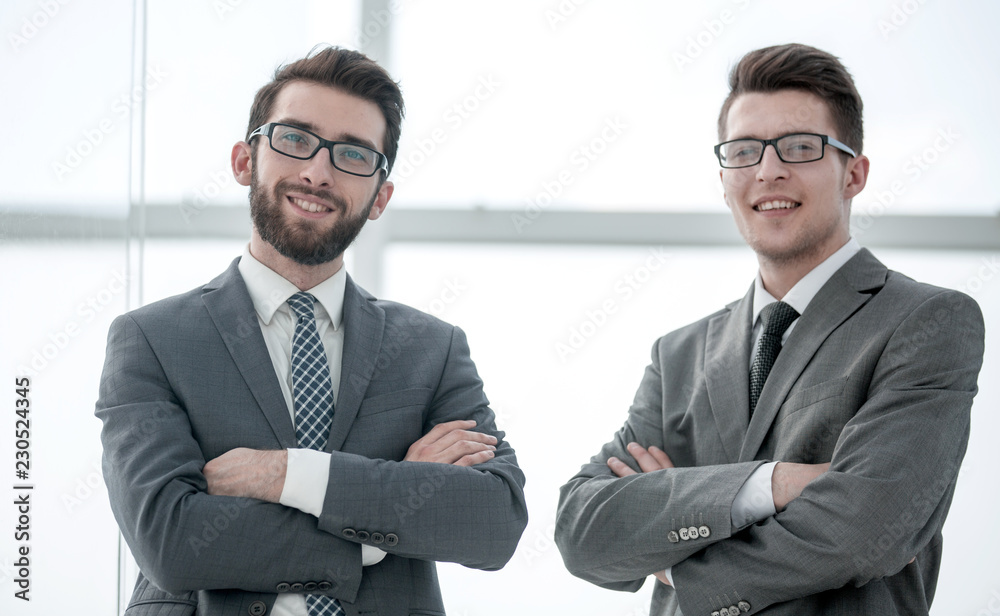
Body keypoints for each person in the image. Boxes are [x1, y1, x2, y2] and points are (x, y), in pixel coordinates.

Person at [555, 43, 984, 615]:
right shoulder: (679, 355)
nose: (768, 169)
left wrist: (673, 550)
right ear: (724, 177)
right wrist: (773, 484)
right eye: (743, 151)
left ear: (853, 173)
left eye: (801, 147)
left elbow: (863, 530)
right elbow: (584, 531)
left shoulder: (927, 322)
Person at [96, 46, 527, 616]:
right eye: (295, 139)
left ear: (380, 198)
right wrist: (380, 524)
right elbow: (171, 542)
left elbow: (492, 523)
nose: (318, 173)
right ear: (244, 162)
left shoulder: (432, 348)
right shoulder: (152, 340)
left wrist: (285, 473)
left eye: (352, 154)